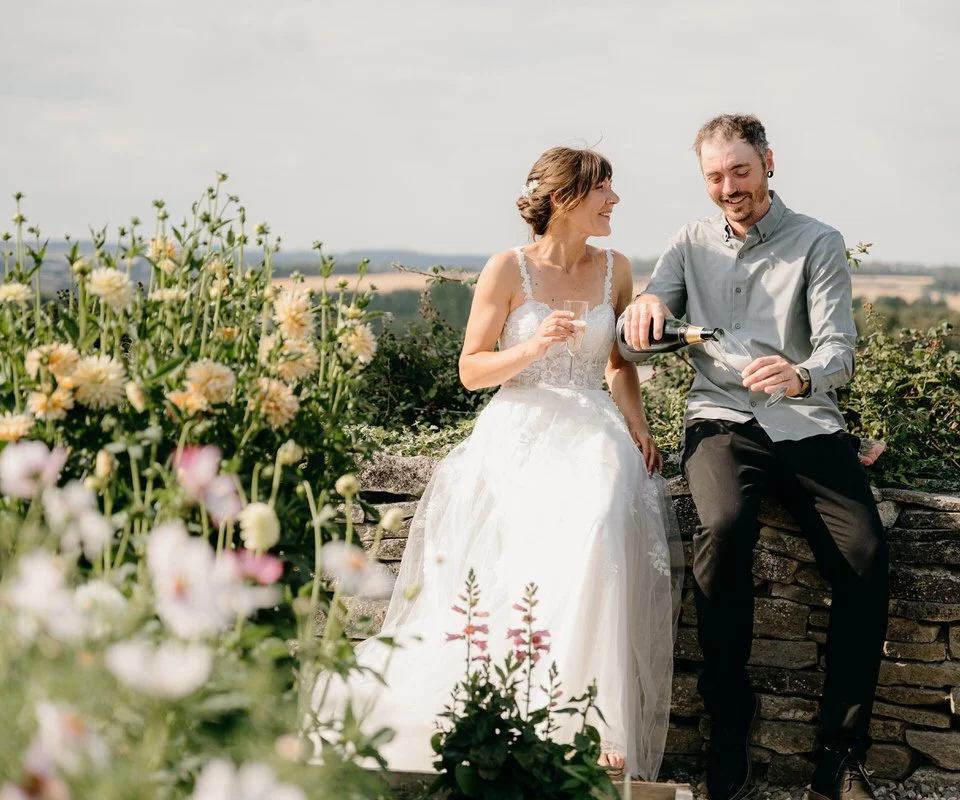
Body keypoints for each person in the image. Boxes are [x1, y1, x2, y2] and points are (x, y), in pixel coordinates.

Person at [313, 147, 681, 780]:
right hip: (517, 424)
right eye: (605, 191)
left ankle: (590, 721)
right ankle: (509, 705)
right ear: (566, 199)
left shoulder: (616, 269)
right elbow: (471, 369)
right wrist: (534, 345)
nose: (616, 201)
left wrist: (640, 427)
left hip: (593, 427)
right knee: (515, 556)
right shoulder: (507, 270)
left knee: (594, 525)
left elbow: (618, 362)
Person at [621, 114, 889, 800]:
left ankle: (841, 753)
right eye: (714, 176)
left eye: (740, 170)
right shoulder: (685, 244)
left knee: (864, 553)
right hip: (719, 421)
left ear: (769, 162)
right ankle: (728, 729)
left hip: (805, 420)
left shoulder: (817, 242)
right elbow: (632, 348)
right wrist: (645, 309)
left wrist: (800, 375)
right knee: (725, 525)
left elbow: (840, 351)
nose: (728, 187)